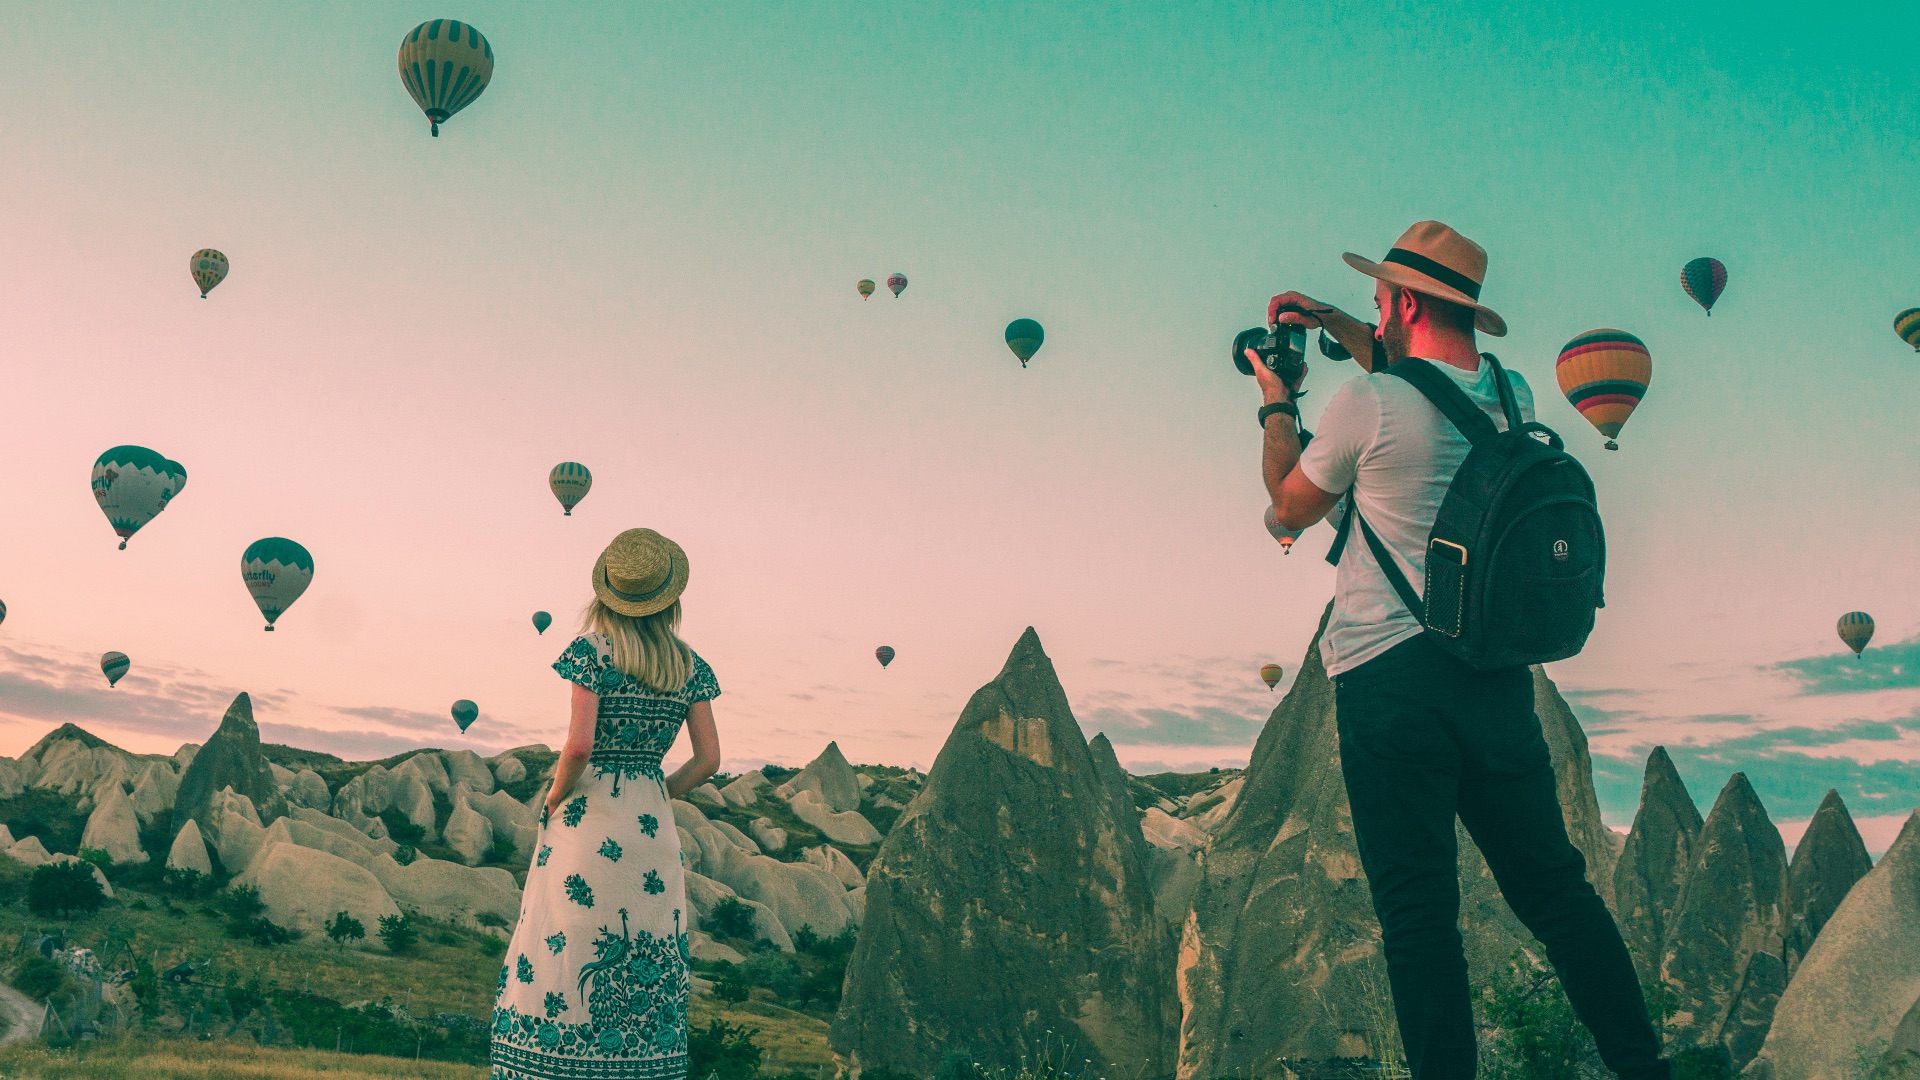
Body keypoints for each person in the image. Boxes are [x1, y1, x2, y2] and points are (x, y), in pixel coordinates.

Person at [1254, 221, 1671, 1080]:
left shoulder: (1364, 405)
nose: (1373, 316)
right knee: (1558, 894)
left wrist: (1274, 401)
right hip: (1495, 677)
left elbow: (1286, 512)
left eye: (1378, 302)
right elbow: (1417, 374)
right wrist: (1333, 318)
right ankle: (1643, 1067)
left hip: (1389, 681)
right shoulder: (1514, 394)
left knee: (1417, 919)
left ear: (1404, 301)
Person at [491, 527, 722, 1080]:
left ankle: (553, 1061)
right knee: (650, 941)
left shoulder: (592, 652)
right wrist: (660, 789)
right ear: (669, 598)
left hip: (588, 818)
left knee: (564, 939)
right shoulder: (690, 665)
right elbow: (709, 759)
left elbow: (578, 746)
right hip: (652, 828)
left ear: (607, 595)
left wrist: (552, 796)